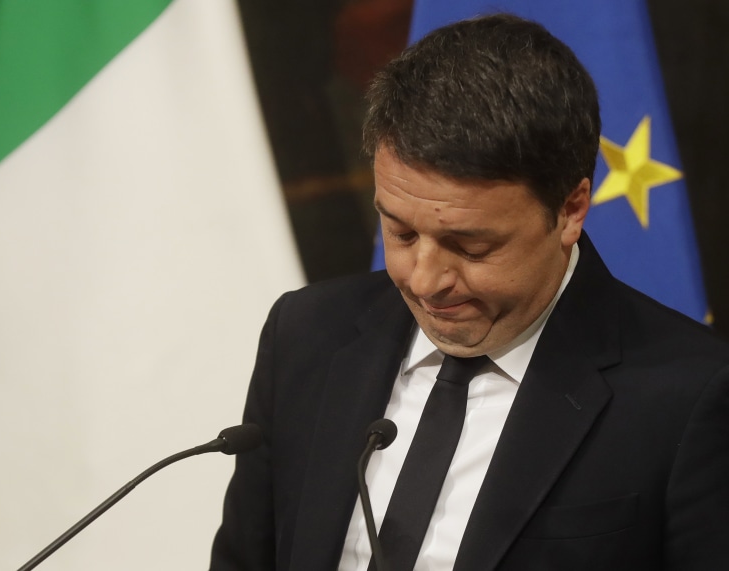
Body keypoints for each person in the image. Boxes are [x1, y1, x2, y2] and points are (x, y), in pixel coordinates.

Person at [210, 13, 729, 571]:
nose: (424, 279)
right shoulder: (306, 334)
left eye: (471, 246)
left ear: (570, 210)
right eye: (401, 232)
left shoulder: (690, 398)